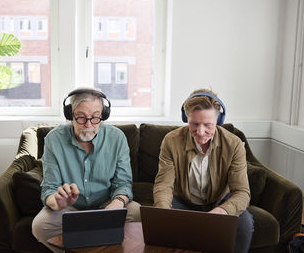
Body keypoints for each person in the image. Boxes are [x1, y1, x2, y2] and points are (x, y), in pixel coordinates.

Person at [32, 88, 140, 253]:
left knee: (138, 214)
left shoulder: (117, 138)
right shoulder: (54, 139)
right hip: (69, 210)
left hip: (107, 204)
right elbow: (49, 188)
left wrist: (117, 202)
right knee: (40, 226)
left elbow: (123, 183)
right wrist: (56, 202)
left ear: (103, 115)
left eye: (96, 117)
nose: (89, 124)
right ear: (71, 114)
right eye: (81, 117)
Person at [153, 89, 254, 253]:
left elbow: (242, 192)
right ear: (186, 119)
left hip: (219, 201)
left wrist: (222, 211)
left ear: (218, 120)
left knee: (245, 224)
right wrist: (164, 214)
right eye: (194, 124)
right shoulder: (171, 141)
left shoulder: (234, 143)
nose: (200, 132)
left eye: (208, 125)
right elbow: (163, 185)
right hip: (183, 201)